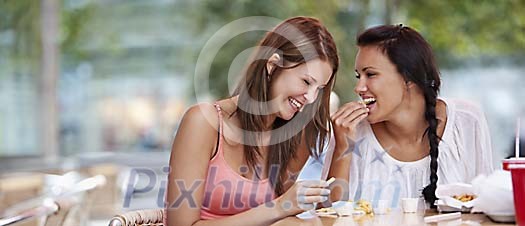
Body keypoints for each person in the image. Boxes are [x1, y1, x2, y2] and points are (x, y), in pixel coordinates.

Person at [165, 16, 339, 225]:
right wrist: (279, 206)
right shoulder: (204, 122)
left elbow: (284, 219)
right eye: (306, 82)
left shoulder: (295, 136)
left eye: (318, 89)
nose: (311, 98)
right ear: (272, 65)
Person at [328, 24, 494, 209]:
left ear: (409, 78)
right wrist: (343, 148)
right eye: (359, 76)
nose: (359, 88)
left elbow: (486, 206)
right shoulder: (350, 132)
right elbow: (329, 217)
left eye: (371, 74)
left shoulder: (466, 121)